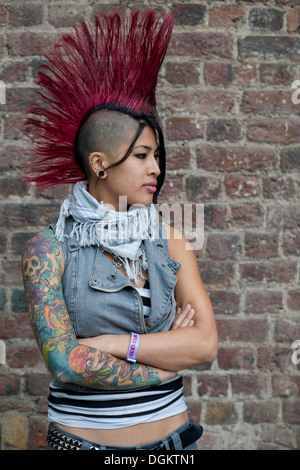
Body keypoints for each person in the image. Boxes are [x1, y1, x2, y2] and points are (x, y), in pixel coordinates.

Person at [21, 10, 218, 451]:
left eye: (157, 155)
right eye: (143, 155)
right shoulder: (48, 249)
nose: (157, 168)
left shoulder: (170, 241)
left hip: (174, 445)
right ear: (100, 164)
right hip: (83, 446)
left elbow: (204, 345)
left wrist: (113, 343)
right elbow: (66, 363)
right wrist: (164, 359)